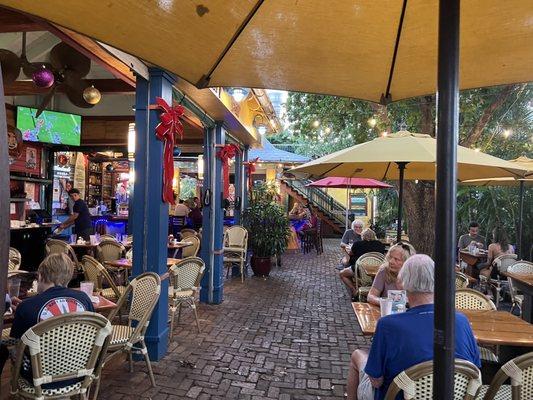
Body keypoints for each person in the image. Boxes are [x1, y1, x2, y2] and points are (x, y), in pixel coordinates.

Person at [346, 254, 480, 400]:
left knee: (357, 356)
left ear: (402, 283)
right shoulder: (462, 321)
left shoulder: (387, 325)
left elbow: (376, 381)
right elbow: (475, 369)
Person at [0, 254, 94, 379]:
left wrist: (23, 312)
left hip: (39, 377)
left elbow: (18, 343)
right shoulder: (84, 299)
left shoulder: (26, 307)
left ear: (40, 275)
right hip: (78, 373)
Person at [339, 228, 386, 299]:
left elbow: (351, 253)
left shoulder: (357, 244)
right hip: (377, 270)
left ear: (362, 236)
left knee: (342, 273)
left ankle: (354, 290)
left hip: (359, 269)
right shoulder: (380, 244)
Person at [366, 242, 416, 307]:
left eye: (396, 259)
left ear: (407, 262)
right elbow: (370, 296)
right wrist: (385, 302)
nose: (391, 261)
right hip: (388, 313)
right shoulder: (384, 271)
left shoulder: (416, 275)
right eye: (390, 257)